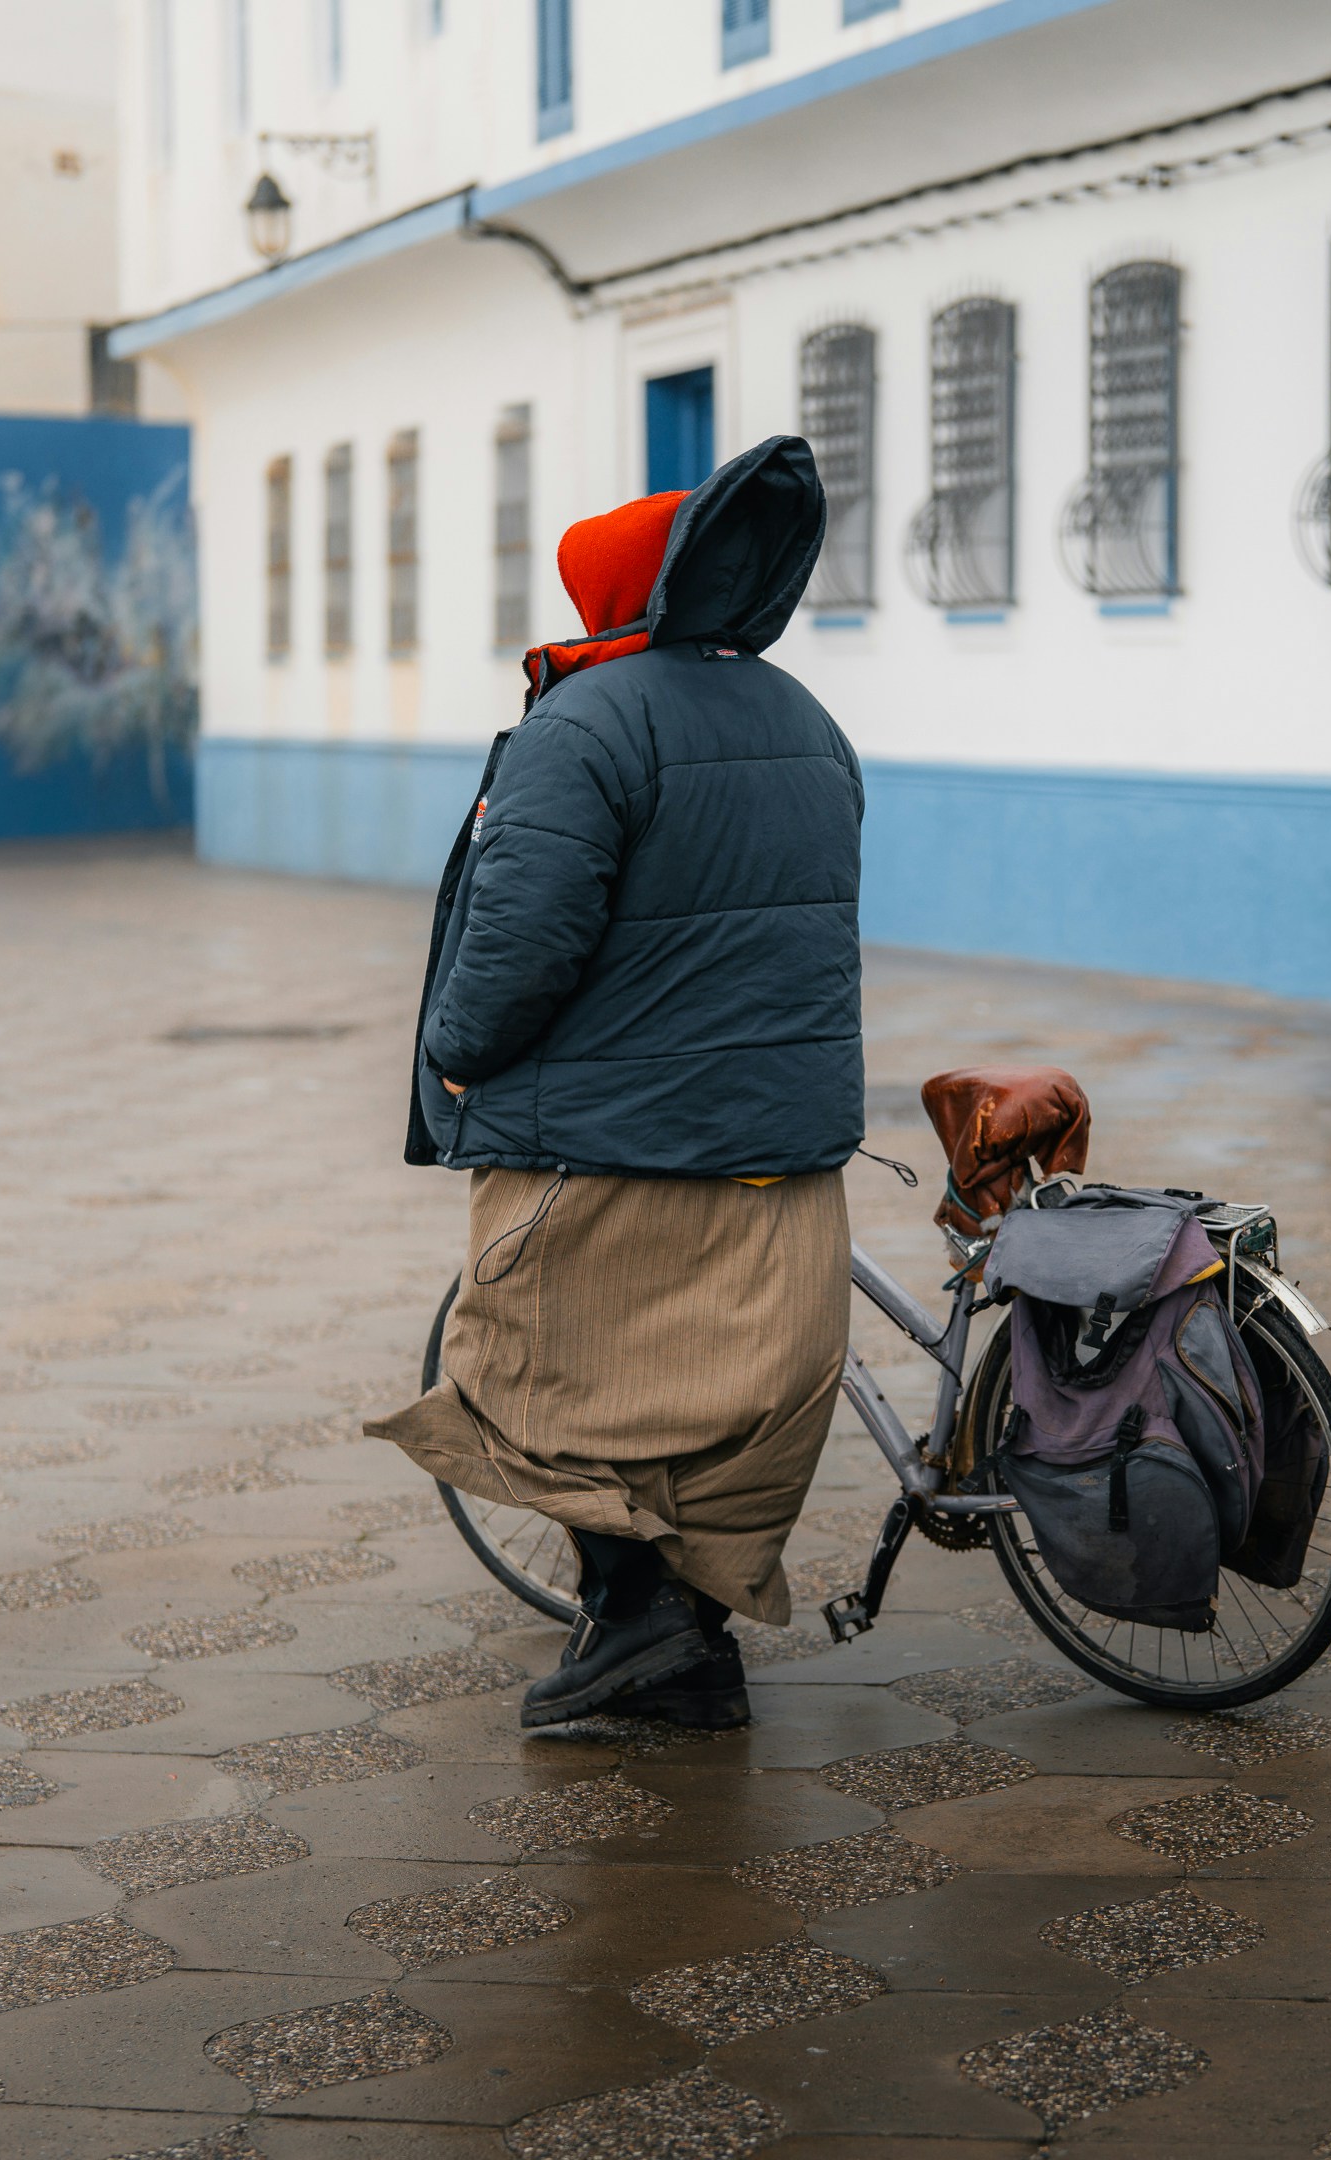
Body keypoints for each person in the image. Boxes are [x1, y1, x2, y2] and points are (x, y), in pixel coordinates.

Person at [364, 436, 862, 1731]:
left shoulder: (585, 724)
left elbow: (519, 944)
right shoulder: (804, 719)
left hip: (611, 1141)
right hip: (775, 1141)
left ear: (614, 594)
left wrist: (456, 1050)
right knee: (718, 1406)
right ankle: (683, 1647)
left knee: (558, 1379)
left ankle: (638, 1628)